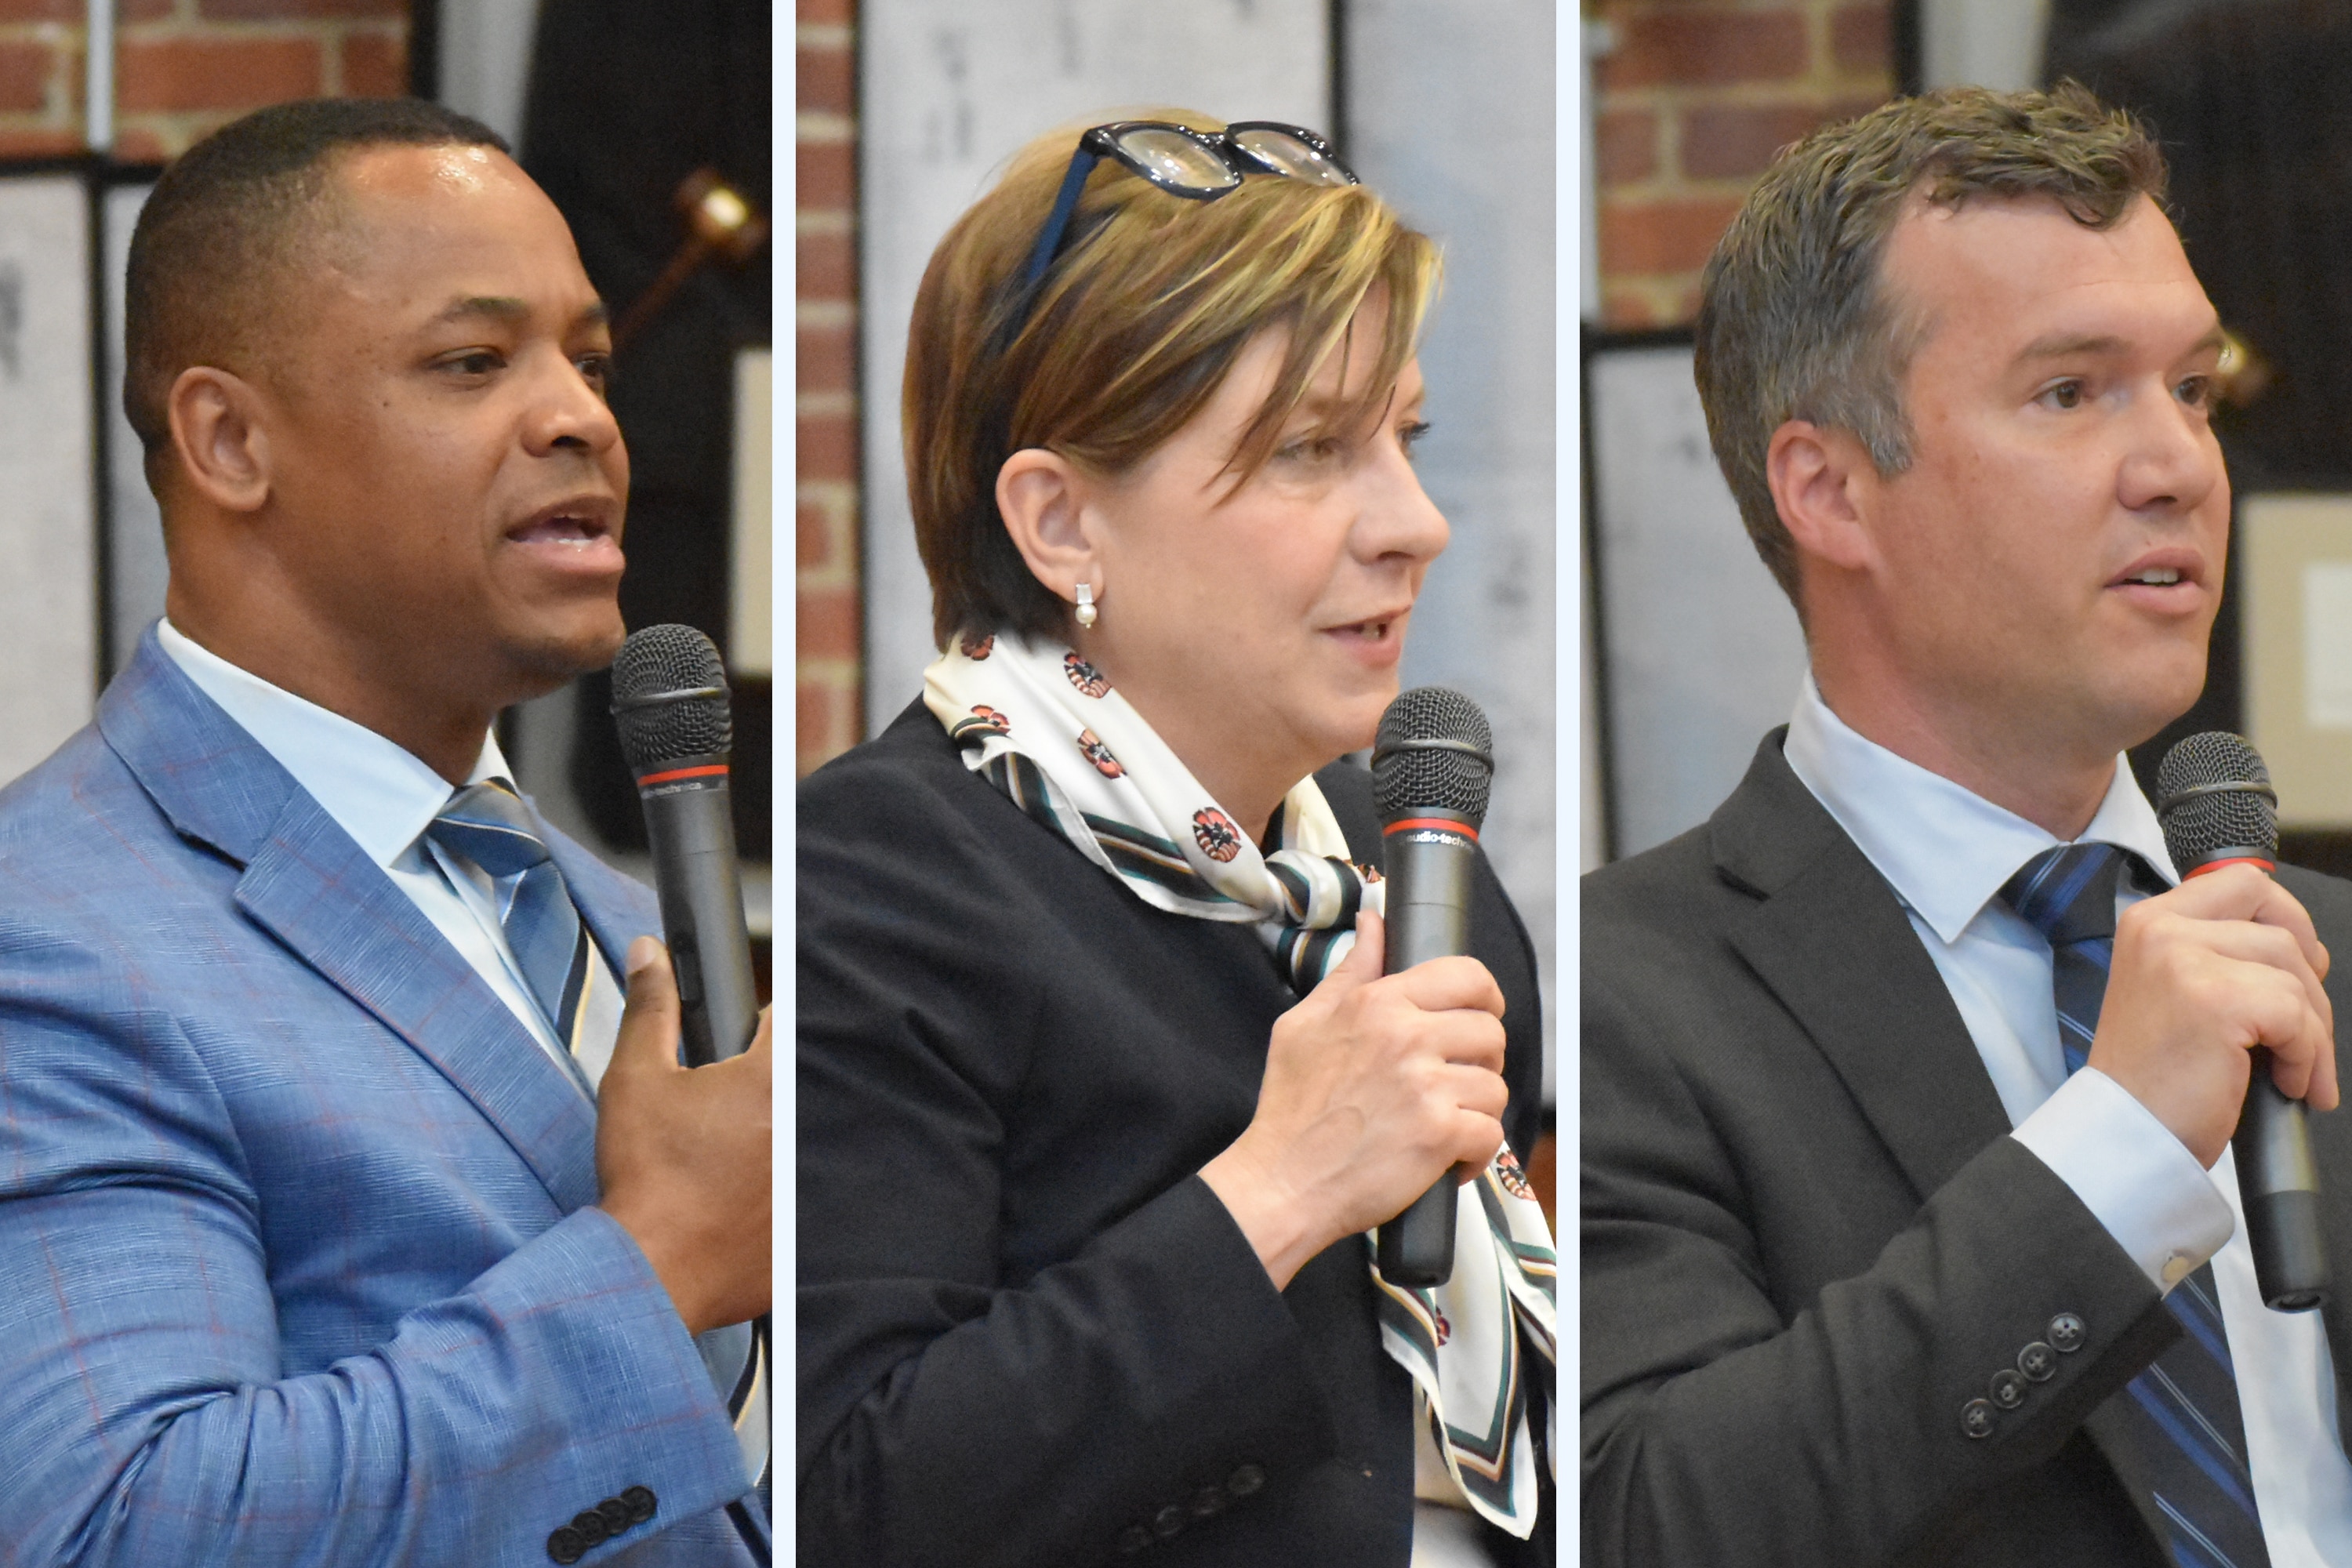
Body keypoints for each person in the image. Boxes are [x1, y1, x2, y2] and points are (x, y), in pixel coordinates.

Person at [1581, 83, 2352, 1566]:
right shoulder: (1620, 994)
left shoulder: (2323, 945)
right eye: (2073, 393)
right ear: (1830, 490)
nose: (2182, 465)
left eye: (2191, 389)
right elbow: (1649, 1520)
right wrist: (2117, 1148)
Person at [0, 100, 770, 1565]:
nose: (582, 417)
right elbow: (114, 1529)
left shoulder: (615, 918)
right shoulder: (48, 937)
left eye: (591, 361)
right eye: (473, 362)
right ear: (228, 439)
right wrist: (662, 1266)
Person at [797, 114, 1556, 1566]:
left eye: (1405, 438)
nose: (1417, 523)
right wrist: (1285, 1187)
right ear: (1063, 522)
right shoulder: (881, 879)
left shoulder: (1425, 886)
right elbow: (846, 1505)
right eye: (1311, 450)